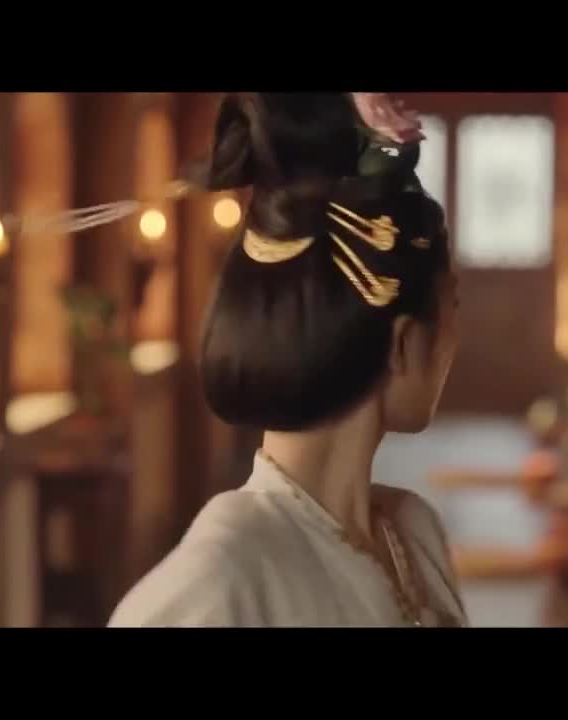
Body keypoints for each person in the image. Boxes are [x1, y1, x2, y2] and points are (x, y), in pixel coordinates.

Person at [108, 93, 466, 627]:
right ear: (402, 342)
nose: (456, 339)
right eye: (453, 307)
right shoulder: (217, 583)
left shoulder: (414, 532)